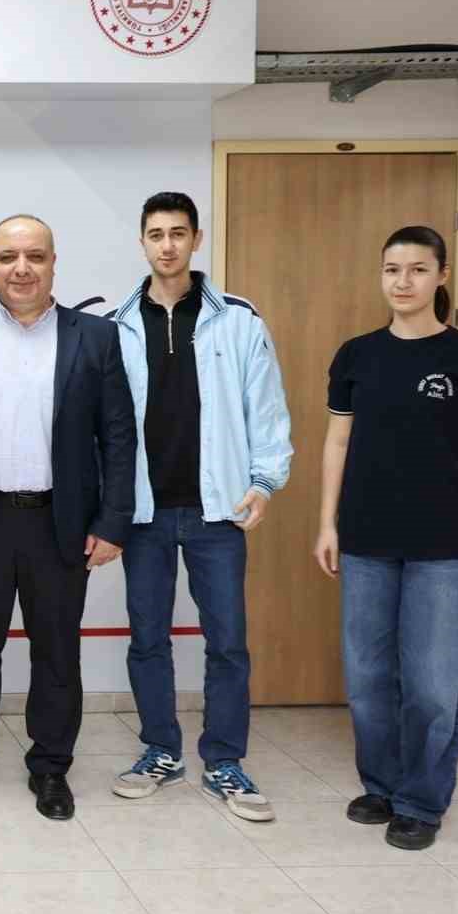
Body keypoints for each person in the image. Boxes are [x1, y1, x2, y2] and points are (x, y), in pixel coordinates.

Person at [0, 215, 136, 820]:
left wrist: (113, 521)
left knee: (57, 652)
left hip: (60, 522)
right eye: (7, 257)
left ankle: (50, 767)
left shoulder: (95, 336)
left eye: (34, 256)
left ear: (53, 263)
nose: (20, 268)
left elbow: (118, 436)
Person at [314, 225, 458, 852]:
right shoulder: (357, 355)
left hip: (447, 548)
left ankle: (421, 800)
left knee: (431, 684)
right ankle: (383, 786)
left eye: (418, 269)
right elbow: (338, 441)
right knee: (368, 677)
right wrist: (327, 523)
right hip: (366, 541)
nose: (403, 281)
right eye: (392, 269)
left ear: (441, 275)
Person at [109, 192, 292, 822]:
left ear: (196, 239)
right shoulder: (116, 325)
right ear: (142, 241)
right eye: (156, 234)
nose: (167, 245)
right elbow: (105, 426)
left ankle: (224, 761)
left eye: (178, 233)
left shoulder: (237, 320)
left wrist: (264, 483)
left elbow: (266, 409)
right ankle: (161, 751)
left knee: (228, 643)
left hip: (218, 510)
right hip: (145, 513)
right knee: (147, 640)